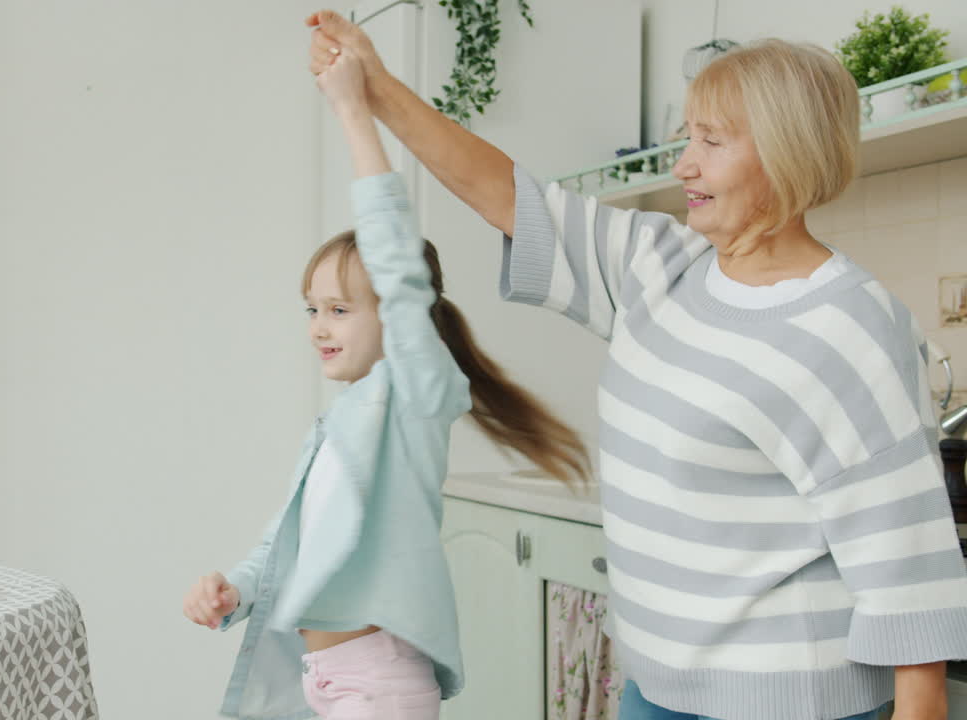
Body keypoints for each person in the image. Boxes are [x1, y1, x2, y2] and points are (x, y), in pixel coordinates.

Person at [306, 10, 967, 720]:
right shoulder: (660, 266)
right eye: (688, 138)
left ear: (787, 152)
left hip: (787, 701)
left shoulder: (849, 326)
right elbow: (509, 197)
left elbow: (908, 564)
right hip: (654, 688)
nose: (684, 163)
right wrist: (376, 86)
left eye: (710, 142)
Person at [182, 44, 587, 720]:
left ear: (403, 318)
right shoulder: (340, 424)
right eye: (312, 309)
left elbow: (398, 265)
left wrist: (353, 111)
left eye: (340, 309)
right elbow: (283, 550)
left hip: (379, 683)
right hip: (322, 678)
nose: (318, 326)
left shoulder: (416, 398)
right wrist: (234, 589)